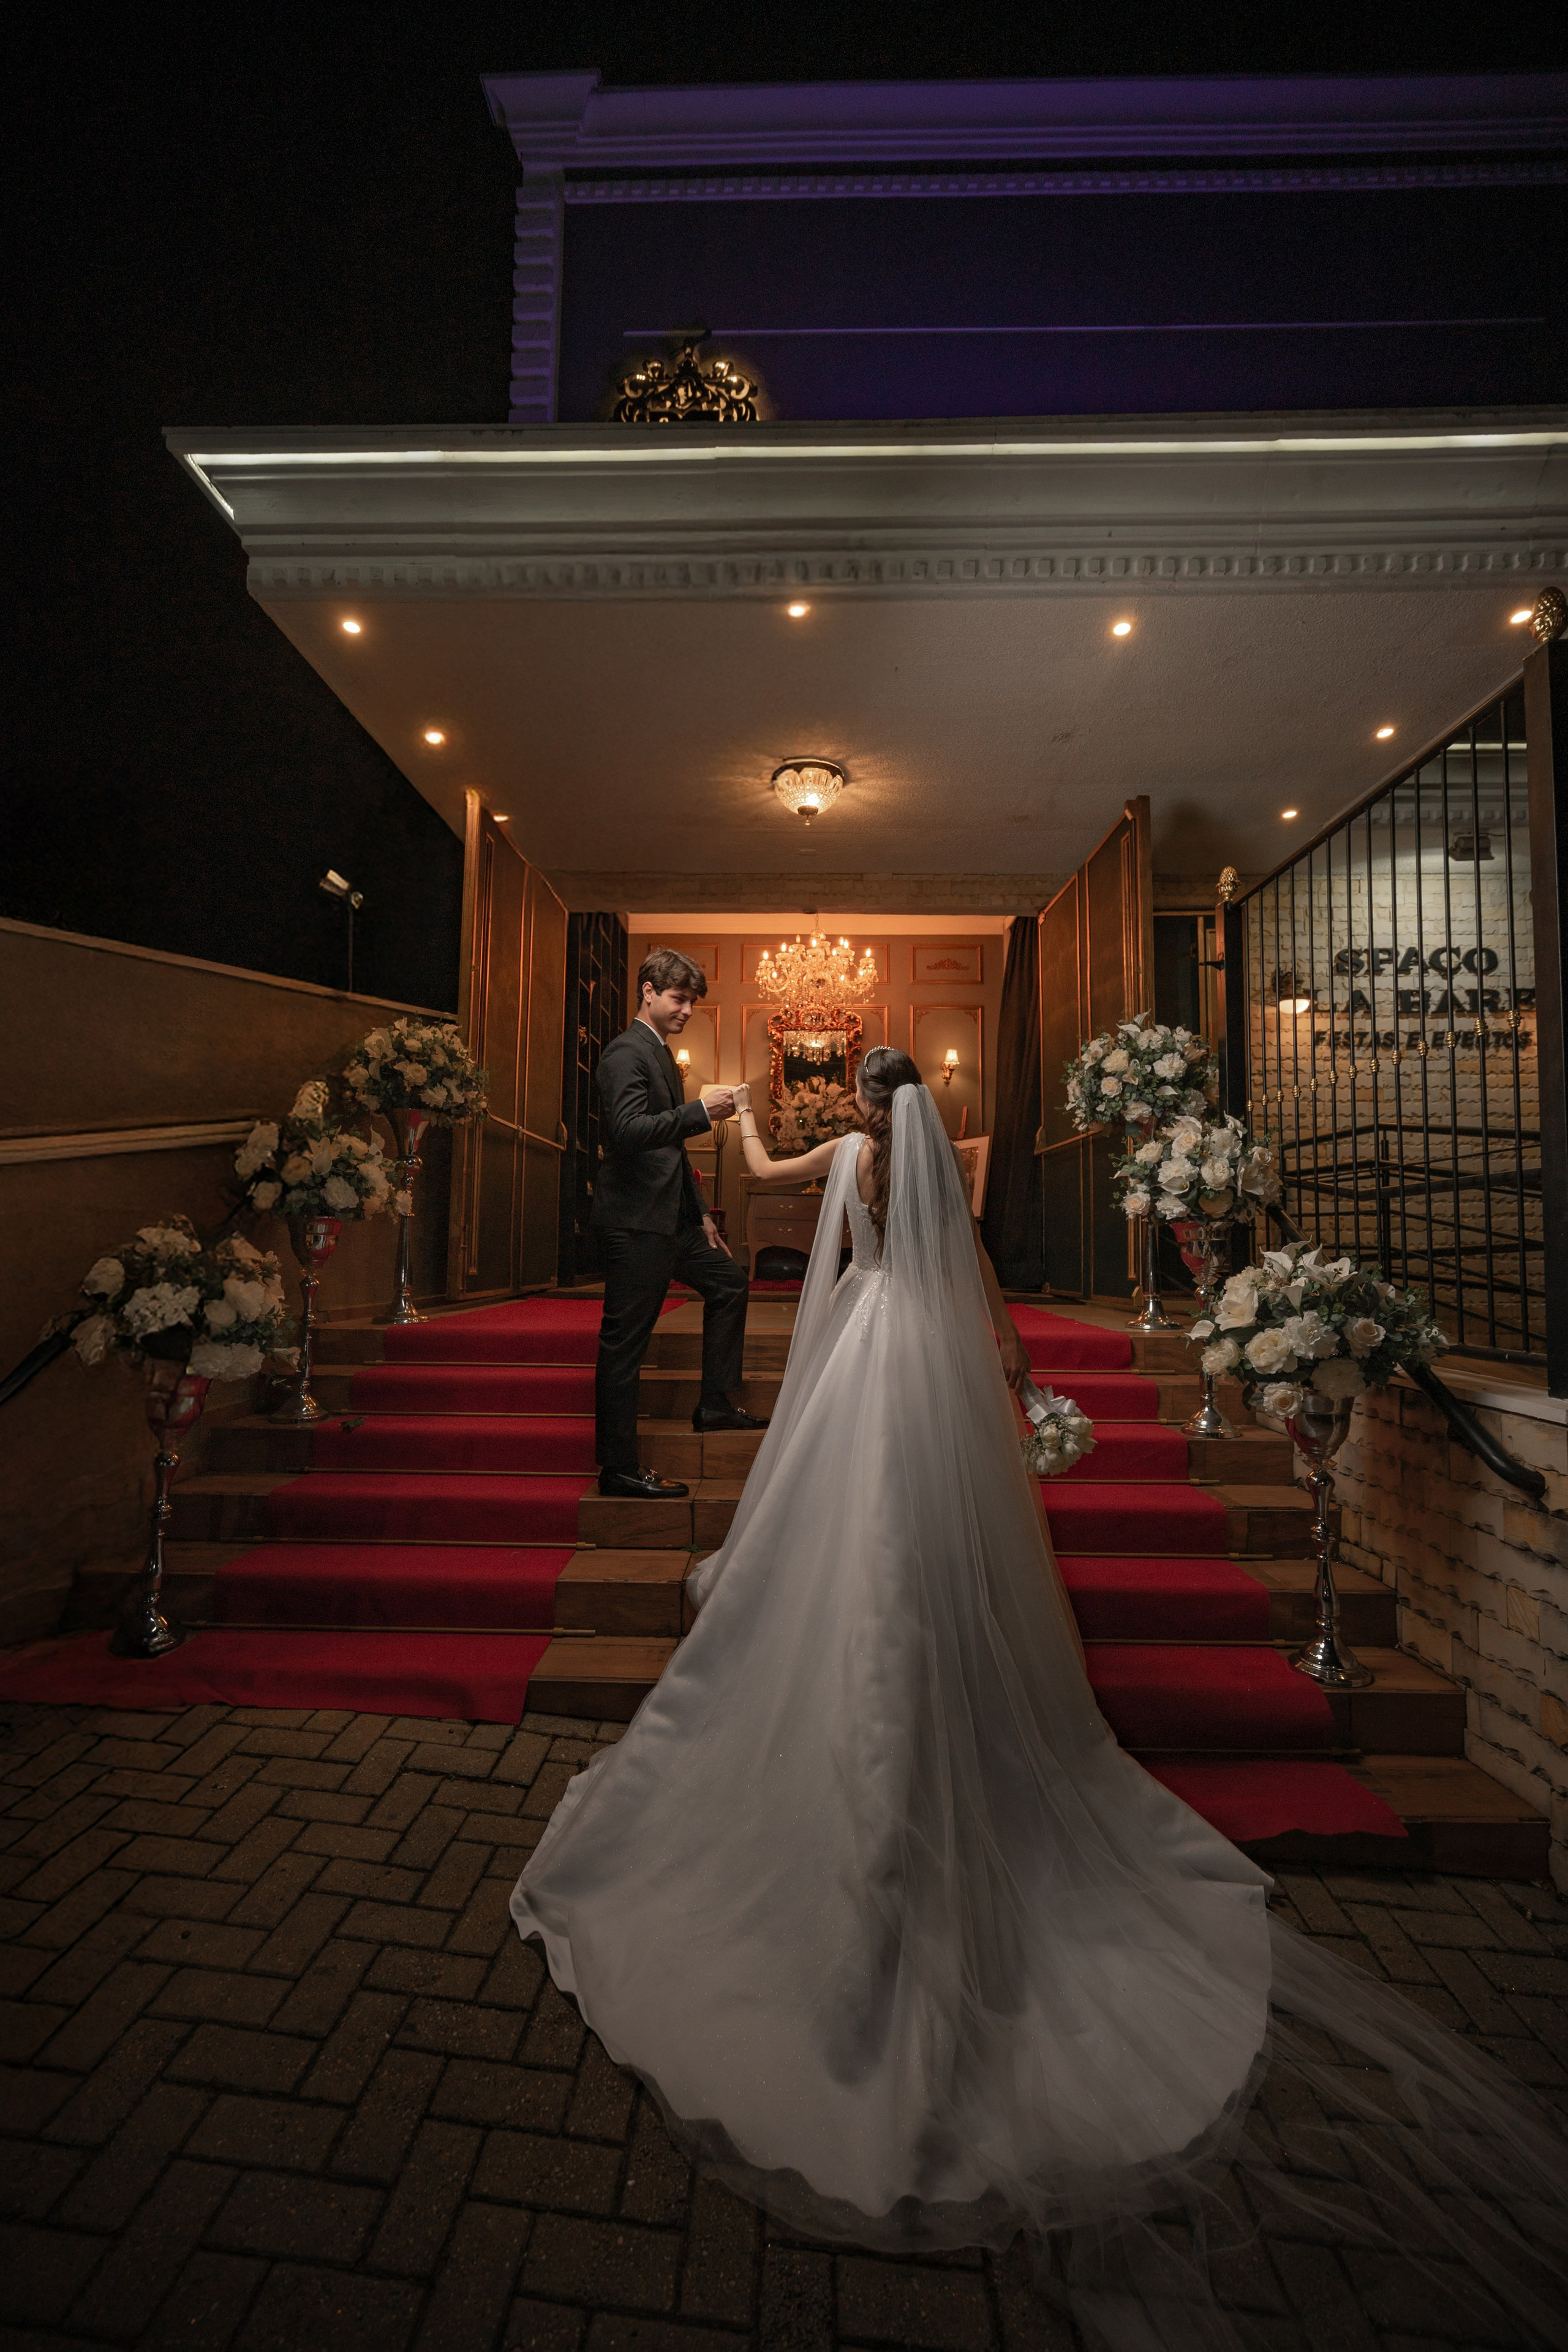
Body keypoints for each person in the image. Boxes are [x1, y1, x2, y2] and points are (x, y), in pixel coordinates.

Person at [516, 1049, 1568, 2346]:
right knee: (933, 1549)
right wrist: (1011, 1380)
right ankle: (958, 1715)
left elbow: (800, 1231)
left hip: (857, 1367)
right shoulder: (928, 1176)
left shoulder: (841, 1161)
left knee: (850, 1552)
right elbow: (976, 1290)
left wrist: (741, 1155)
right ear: (926, 1110)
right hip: (930, 1372)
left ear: (859, 1110)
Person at [590, 948, 766, 1502]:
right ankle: (618, 1468)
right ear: (647, 991)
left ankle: (713, 1405)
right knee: (626, 1346)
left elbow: (668, 1153)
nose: (688, 1009)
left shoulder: (661, 1053)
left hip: (671, 1220)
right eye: (678, 998)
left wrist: (703, 1220)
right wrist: (700, 1112)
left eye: (692, 1000)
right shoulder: (626, 1052)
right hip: (635, 1222)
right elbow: (626, 1131)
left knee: (730, 1283)